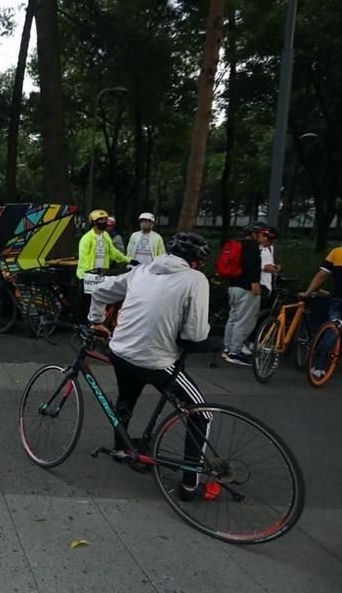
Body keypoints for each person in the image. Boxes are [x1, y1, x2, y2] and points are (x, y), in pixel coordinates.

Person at [88, 233, 213, 501]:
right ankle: (190, 484)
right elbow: (196, 334)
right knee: (201, 413)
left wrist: (97, 320)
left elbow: (100, 291)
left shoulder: (140, 271)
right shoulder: (195, 280)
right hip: (157, 360)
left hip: (120, 351)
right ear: (195, 263)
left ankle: (122, 448)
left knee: (127, 396)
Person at [222, 222, 265, 366]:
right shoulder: (251, 246)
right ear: (254, 234)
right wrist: (254, 282)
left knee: (233, 318)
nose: (263, 237)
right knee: (244, 321)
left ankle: (227, 349)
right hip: (246, 288)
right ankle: (236, 352)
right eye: (262, 234)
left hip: (233, 286)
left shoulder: (239, 244)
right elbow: (249, 264)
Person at [300, 245, 342, 380]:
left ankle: (318, 365)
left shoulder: (337, 252)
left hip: (338, 298)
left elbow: (322, 275)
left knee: (332, 329)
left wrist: (308, 292)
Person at [77, 210, 130, 280]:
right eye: (101, 220)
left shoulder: (106, 236)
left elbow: (114, 253)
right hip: (89, 276)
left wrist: (129, 260)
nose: (104, 222)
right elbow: (83, 259)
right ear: (94, 222)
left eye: (105, 219)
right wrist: (85, 276)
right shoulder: (87, 238)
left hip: (103, 275)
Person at [259, 227, 280, 309]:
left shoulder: (270, 248)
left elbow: (270, 262)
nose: (270, 243)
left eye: (272, 242)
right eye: (269, 240)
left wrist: (275, 267)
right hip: (258, 283)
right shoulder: (255, 247)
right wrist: (263, 267)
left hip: (268, 284)